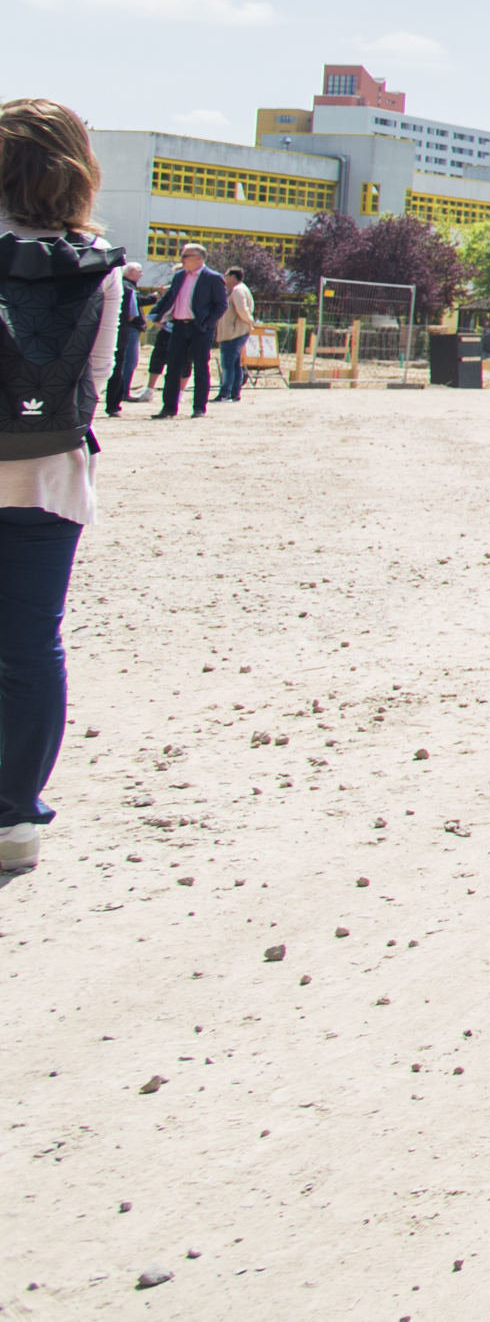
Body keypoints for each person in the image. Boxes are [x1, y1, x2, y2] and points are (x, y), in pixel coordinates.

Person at [0, 99, 125, 872]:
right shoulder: (100, 264)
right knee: (31, 646)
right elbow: (104, 377)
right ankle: (16, 819)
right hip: (51, 477)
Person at [147, 244, 226, 419]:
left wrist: (206, 324)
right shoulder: (178, 276)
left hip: (200, 328)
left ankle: (199, 408)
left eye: (185, 256)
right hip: (179, 327)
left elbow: (221, 305)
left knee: (200, 367)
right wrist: (156, 315)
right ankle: (168, 407)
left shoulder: (213, 278)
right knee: (173, 366)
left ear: (198, 258)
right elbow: (169, 297)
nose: (181, 259)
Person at [213, 261, 258, 404]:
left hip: (234, 333)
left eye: (226, 276)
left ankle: (225, 393)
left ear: (233, 276)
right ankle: (234, 393)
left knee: (228, 363)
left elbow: (242, 310)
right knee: (234, 364)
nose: (224, 279)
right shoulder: (238, 289)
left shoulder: (238, 290)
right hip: (233, 332)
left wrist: (250, 321)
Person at [103, 262, 140, 419]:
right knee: (117, 367)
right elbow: (132, 314)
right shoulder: (127, 290)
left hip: (100, 327)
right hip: (118, 329)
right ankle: (113, 406)